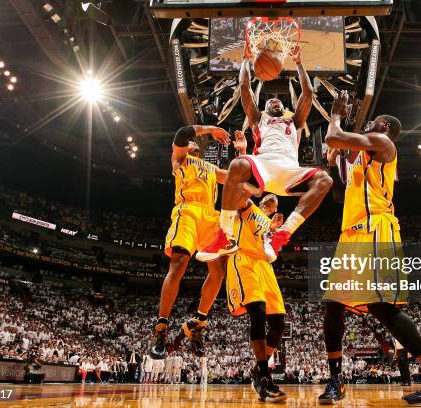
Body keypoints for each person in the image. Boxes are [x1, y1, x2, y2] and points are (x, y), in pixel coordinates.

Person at [319, 90, 421, 405]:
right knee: (333, 305)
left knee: (381, 308)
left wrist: (336, 115)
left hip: (376, 231)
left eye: (374, 120)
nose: (370, 121)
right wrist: (335, 157)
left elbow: (334, 136)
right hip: (352, 235)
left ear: (384, 128)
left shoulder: (385, 145)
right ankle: (335, 380)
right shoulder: (363, 157)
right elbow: (337, 173)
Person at [196, 48, 332, 263]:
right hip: (264, 165)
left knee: (325, 179)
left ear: (284, 107)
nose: (274, 101)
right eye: (270, 102)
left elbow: (308, 94)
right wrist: (246, 59)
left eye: (278, 101)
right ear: (265, 108)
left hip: (289, 169)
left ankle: (282, 234)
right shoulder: (258, 119)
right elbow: (244, 87)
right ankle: (225, 236)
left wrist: (298, 62)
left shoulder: (294, 121)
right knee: (238, 164)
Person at [151, 126, 247, 359]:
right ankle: (161, 328)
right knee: (179, 263)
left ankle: (199, 323)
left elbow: (238, 178)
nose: (195, 143)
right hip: (188, 211)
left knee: (219, 271)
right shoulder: (180, 159)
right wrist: (210, 130)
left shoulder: (212, 168)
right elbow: (182, 132)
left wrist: (242, 151)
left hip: (210, 216)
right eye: (193, 142)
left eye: (197, 144)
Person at [226, 193, 288, 402]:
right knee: (258, 311)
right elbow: (238, 192)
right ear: (262, 201)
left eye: (275, 204)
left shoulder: (269, 225)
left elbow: (271, 248)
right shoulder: (248, 207)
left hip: (265, 266)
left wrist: (275, 229)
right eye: (269, 201)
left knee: (279, 323)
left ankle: (256, 370)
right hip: (245, 259)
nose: (272, 204)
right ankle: (264, 377)